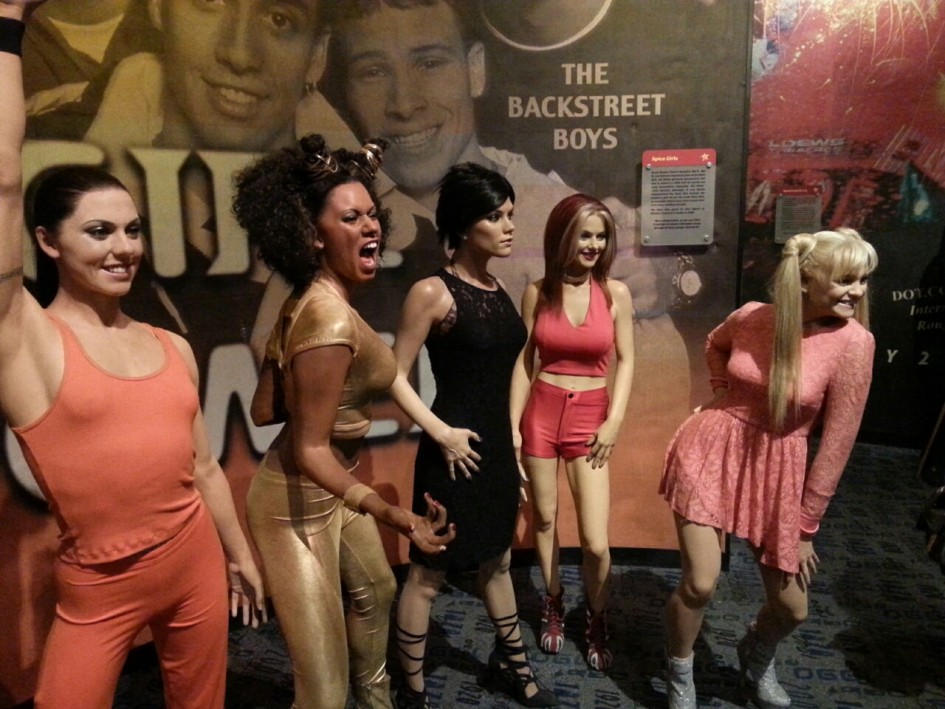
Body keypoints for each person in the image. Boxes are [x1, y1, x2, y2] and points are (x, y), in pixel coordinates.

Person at [0, 3, 266, 707]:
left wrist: (238, 554)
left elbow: (203, 467)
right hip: (97, 592)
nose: (123, 248)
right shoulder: (25, 344)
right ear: (47, 242)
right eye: (98, 231)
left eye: (133, 229)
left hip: (196, 564)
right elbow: (2, 183)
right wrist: (6, 27)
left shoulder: (169, 344)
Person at [232, 134, 456, 709]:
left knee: (376, 591)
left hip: (333, 488)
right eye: (350, 218)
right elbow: (309, 449)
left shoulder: (312, 299)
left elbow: (263, 410)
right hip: (293, 508)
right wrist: (395, 515)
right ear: (313, 234)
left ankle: (377, 702)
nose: (370, 226)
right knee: (324, 690)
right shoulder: (328, 320)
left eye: (371, 214)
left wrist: (289, 354)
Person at [659, 229, 877, 709]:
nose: (857, 291)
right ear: (806, 280)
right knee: (700, 582)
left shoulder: (855, 343)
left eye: (862, 280)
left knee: (792, 608)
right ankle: (680, 675)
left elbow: (837, 445)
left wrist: (805, 527)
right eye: (845, 279)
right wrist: (721, 391)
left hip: (777, 473)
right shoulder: (753, 315)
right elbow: (715, 343)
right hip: (710, 450)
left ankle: (755, 652)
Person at [388, 163, 558, 709]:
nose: (509, 226)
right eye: (495, 216)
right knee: (427, 574)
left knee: (498, 562)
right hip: (452, 454)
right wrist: (441, 433)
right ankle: (412, 689)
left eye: (510, 214)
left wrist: (511, 442)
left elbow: (505, 373)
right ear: (463, 225)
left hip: (495, 451)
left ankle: (514, 668)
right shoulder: (432, 292)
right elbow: (393, 374)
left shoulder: (498, 286)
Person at [509, 194, 634, 671]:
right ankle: (554, 600)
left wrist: (614, 420)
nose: (594, 245)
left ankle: (596, 615)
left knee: (596, 542)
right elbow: (524, 363)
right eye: (585, 234)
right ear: (562, 236)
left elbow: (627, 360)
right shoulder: (537, 292)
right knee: (544, 518)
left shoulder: (615, 294)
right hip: (541, 414)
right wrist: (513, 427)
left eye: (601, 236)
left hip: (591, 419)